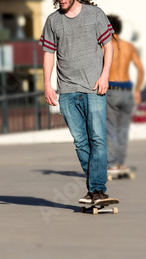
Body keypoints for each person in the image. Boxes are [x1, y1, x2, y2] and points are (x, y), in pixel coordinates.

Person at [41, 0, 115, 204]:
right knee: (81, 142)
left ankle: (97, 190)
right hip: (66, 91)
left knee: (98, 139)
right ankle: (95, 189)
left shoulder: (94, 14)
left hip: (94, 88)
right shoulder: (53, 20)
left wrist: (104, 76)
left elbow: (108, 46)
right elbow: (48, 54)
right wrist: (47, 84)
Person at [106, 14, 144, 175]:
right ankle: (120, 163)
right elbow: (140, 69)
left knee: (110, 129)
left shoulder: (104, 46)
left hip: (111, 90)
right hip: (127, 91)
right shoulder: (129, 46)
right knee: (123, 130)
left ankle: (113, 164)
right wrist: (137, 90)